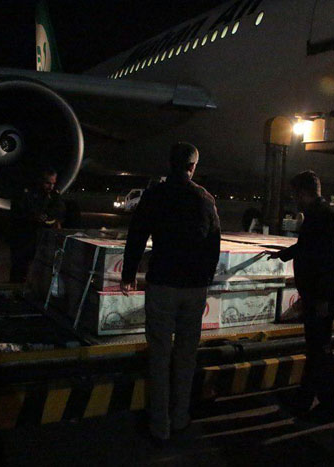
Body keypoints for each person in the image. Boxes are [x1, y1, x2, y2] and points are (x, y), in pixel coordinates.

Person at [121, 142, 220, 444]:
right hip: (194, 288)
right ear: (192, 167)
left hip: (163, 284)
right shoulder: (205, 199)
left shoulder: (155, 195)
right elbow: (214, 243)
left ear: (170, 163)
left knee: (160, 355)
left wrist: (128, 274)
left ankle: (159, 424)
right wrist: (205, 278)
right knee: (187, 355)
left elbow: (137, 236)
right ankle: (180, 417)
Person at [268, 170, 334, 424]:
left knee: (320, 350)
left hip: (322, 295)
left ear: (303, 192)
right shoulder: (319, 214)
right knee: (316, 349)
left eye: (295, 194)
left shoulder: (321, 216)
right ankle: (305, 399)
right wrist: (283, 255)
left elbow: (327, 259)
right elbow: (308, 247)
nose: (294, 199)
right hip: (317, 293)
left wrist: (322, 298)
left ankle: (328, 406)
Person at [9, 168, 65, 283]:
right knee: (20, 265)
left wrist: (50, 217)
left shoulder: (53, 194)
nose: (51, 187)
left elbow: (60, 209)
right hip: (25, 234)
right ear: (40, 181)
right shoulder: (27, 193)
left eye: (53, 183)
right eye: (48, 183)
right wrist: (34, 216)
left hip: (41, 235)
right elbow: (17, 211)